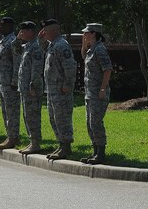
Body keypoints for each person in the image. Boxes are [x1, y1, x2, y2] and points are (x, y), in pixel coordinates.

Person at [41, 19, 77, 160]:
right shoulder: (52, 45)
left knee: (62, 119)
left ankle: (66, 146)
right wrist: (40, 39)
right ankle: (61, 144)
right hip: (52, 90)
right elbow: (41, 46)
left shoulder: (62, 45)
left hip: (61, 90)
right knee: (54, 118)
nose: (44, 33)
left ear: (55, 30)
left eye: (46, 30)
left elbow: (70, 67)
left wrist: (68, 84)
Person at [80, 23, 113, 165]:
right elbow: (83, 56)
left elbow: (107, 69)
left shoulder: (99, 49)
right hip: (90, 93)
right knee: (90, 123)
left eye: (86, 33)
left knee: (96, 122)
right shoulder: (91, 49)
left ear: (94, 34)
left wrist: (103, 89)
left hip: (98, 93)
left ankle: (101, 153)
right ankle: (95, 151)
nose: (84, 35)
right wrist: (83, 44)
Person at [17, 22, 45, 154]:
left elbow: (37, 68)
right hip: (24, 88)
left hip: (31, 88)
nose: (21, 33)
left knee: (32, 116)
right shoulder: (27, 46)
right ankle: (32, 141)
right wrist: (17, 39)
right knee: (27, 116)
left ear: (30, 32)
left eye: (23, 31)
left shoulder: (36, 47)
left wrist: (33, 85)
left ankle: (36, 143)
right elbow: (14, 50)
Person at [0, 17, 21, 150]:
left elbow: (17, 62)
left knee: (12, 112)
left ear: (9, 26)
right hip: (2, 81)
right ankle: (9, 135)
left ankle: (13, 137)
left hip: (10, 83)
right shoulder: (3, 40)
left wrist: (15, 81)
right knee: (5, 111)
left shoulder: (12, 41)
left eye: (1, 26)